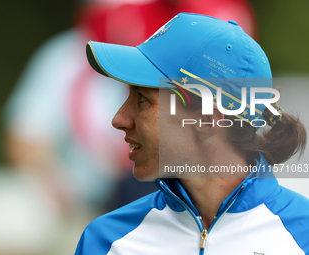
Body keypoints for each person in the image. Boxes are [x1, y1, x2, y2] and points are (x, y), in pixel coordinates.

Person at [75, 13, 309, 254]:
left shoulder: (303, 237)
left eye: (142, 98)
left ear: (208, 120)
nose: (119, 119)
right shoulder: (106, 241)